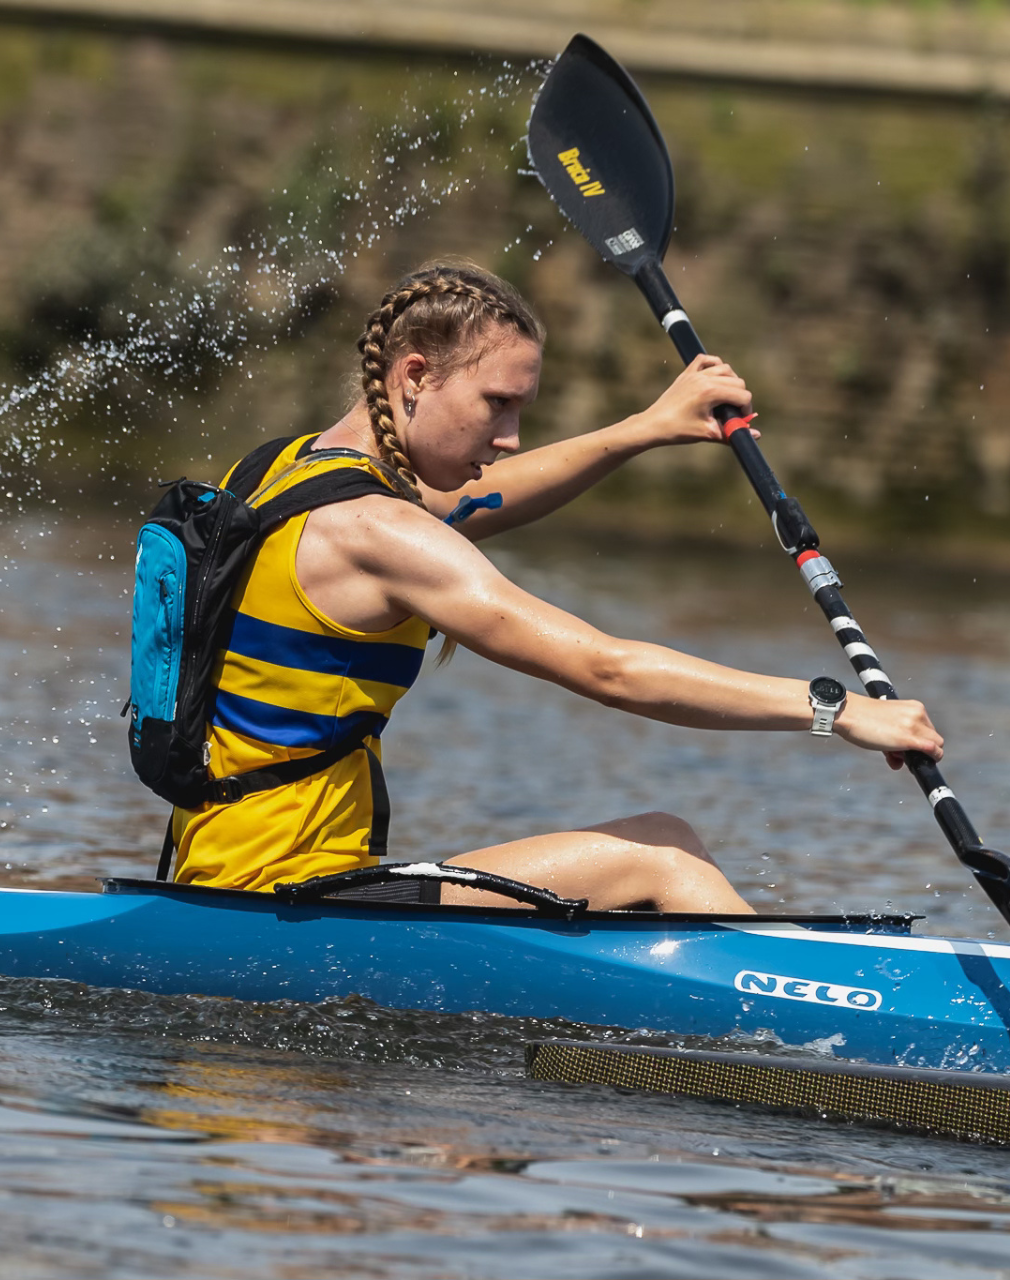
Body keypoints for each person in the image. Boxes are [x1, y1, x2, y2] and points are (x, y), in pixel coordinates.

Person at [166, 261, 943, 913]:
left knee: (660, 843)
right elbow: (610, 670)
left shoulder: (278, 471)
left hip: (221, 872)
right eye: (495, 405)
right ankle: (809, 1021)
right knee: (663, 855)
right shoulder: (381, 533)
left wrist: (643, 428)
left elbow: (475, 498)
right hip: (290, 899)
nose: (507, 439)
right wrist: (834, 711)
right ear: (414, 376)